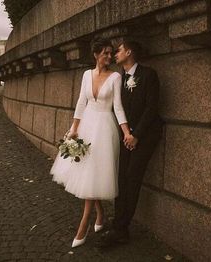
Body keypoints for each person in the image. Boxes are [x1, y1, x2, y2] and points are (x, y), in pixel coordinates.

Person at [50, 38, 131, 248]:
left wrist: (126, 132)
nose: (108, 56)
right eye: (104, 52)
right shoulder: (86, 74)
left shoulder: (115, 77)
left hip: (105, 129)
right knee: (86, 172)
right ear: (95, 54)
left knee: (93, 172)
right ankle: (101, 214)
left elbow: (118, 107)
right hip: (86, 124)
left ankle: (83, 224)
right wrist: (74, 129)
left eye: (110, 53)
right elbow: (80, 102)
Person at [99, 40, 164, 247]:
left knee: (132, 178)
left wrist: (136, 135)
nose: (114, 54)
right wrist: (125, 134)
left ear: (129, 52)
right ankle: (119, 225)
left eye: (117, 50)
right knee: (122, 179)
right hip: (126, 137)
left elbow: (151, 108)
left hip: (145, 137)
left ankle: (120, 229)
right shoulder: (119, 78)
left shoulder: (148, 74)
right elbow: (117, 109)